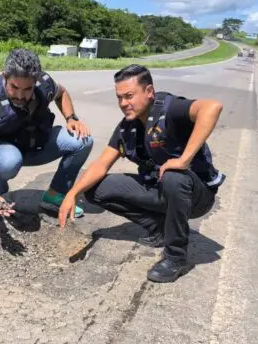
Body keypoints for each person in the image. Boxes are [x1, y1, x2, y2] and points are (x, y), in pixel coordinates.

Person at [58, 64, 224, 283]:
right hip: (160, 188)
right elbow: (101, 164)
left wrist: (184, 160)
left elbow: (212, 107)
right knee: (94, 189)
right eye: (119, 98)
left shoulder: (169, 109)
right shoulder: (127, 127)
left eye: (129, 96)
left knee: (174, 176)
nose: (124, 103)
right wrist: (73, 193)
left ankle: (176, 256)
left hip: (196, 194)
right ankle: (157, 227)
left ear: (149, 92)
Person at [0, 48, 93, 217]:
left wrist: (71, 118)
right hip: (7, 155)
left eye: (27, 89)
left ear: (36, 81)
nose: (20, 95)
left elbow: (61, 93)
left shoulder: (44, 83)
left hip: (37, 144)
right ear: (5, 76)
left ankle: (55, 194)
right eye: (14, 87)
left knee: (83, 140)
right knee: (8, 162)